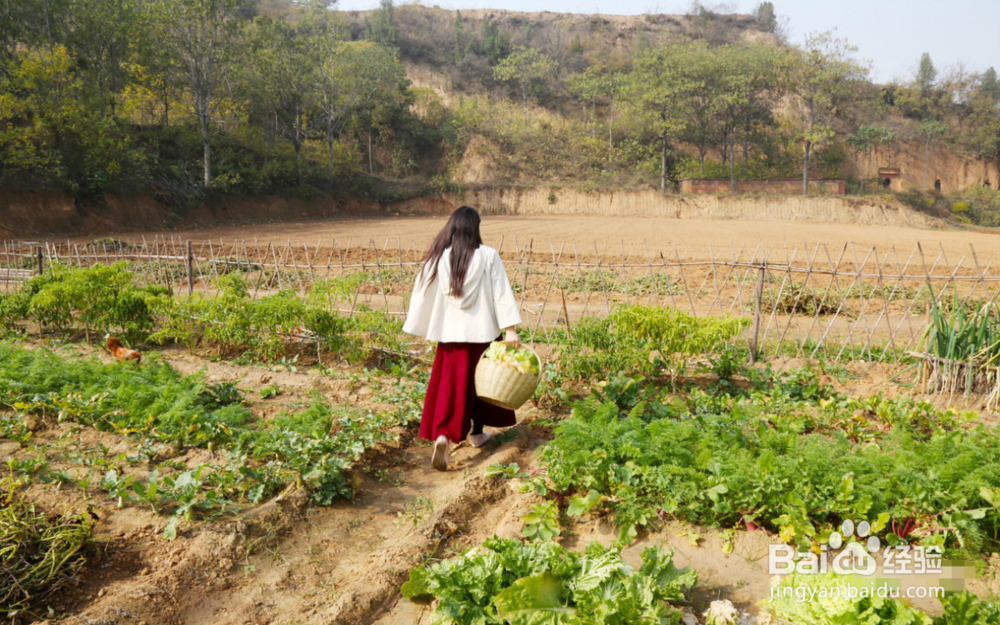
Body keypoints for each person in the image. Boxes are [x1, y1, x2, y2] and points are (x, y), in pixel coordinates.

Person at [403, 206, 522, 471]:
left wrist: (421, 326)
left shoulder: (439, 259)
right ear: (475, 228)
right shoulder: (488, 256)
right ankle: (477, 434)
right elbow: (501, 293)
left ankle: (444, 435)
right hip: (483, 335)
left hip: (450, 336)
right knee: (484, 385)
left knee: (451, 385)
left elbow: (422, 293)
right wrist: (511, 328)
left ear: (453, 228)